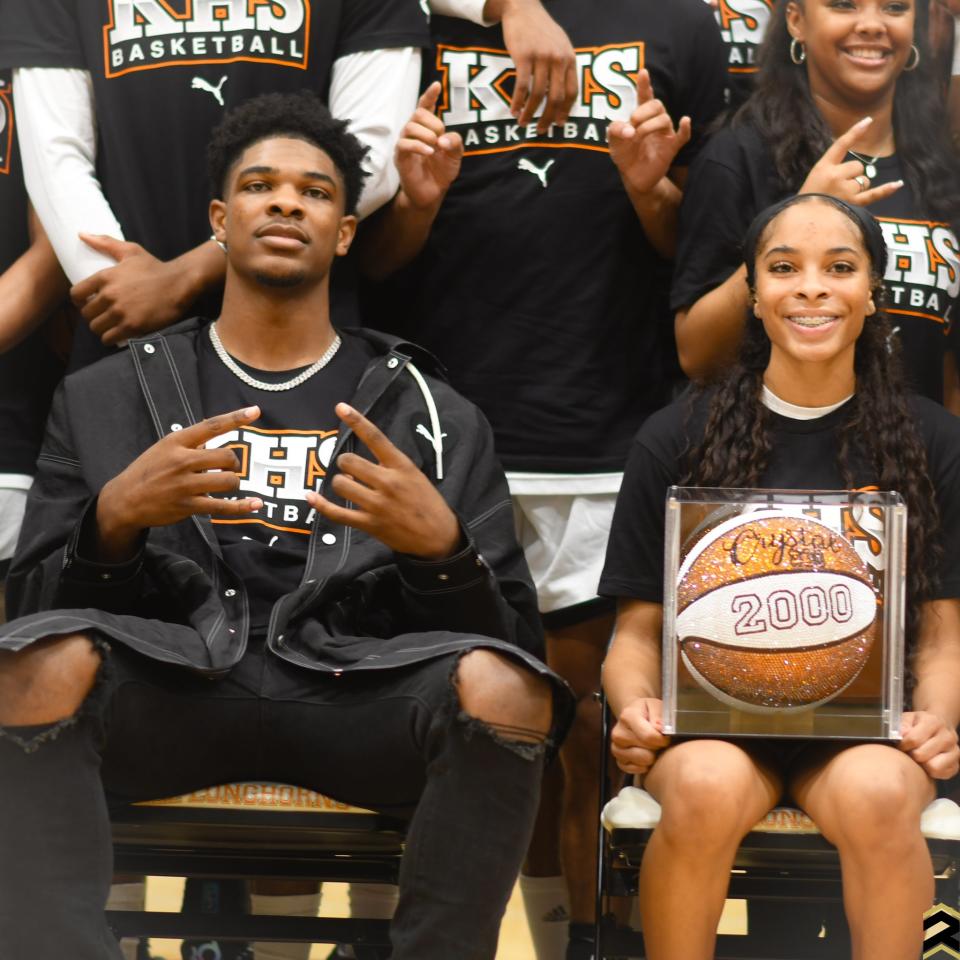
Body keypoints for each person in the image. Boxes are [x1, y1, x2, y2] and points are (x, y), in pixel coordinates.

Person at [0, 90, 572, 960]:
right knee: (31, 667)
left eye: (313, 192)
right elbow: (26, 611)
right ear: (221, 221)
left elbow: (514, 644)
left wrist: (443, 555)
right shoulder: (108, 396)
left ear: (344, 232)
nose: (285, 203)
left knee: (506, 691)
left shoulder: (431, 410)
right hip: (174, 692)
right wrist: (110, 525)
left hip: (355, 701)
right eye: (261, 186)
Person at [358, 3, 726, 956]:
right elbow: (373, 259)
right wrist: (417, 203)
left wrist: (652, 193)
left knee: (593, 737)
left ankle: (588, 944)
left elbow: (714, 259)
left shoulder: (679, 24)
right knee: (479, 732)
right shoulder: (420, 22)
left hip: (613, 437)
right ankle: (534, 932)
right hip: (453, 438)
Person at [600, 193, 960, 960]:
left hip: (863, 733)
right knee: (701, 786)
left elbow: (940, 635)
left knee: (881, 793)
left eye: (840, 268)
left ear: (872, 295)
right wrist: (634, 708)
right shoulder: (677, 437)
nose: (811, 288)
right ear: (754, 294)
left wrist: (935, 721)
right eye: (783, 268)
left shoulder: (934, 440)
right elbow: (635, 634)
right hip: (714, 726)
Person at [673, 0, 960, 409]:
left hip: (912, 460)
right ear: (796, 21)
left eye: (894, 8)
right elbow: (697, 356)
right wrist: (804, 211)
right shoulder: (738, 156)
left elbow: (950, 370)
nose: (871, 25)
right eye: (844, 5)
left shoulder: (944, 170)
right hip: (772, 462)